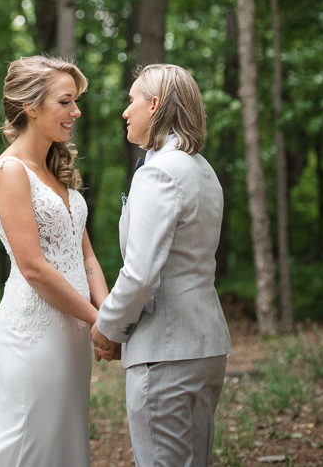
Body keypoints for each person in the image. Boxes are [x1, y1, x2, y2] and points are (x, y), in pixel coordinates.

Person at [0, 55, 108, 467]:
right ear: (30, 105)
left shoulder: (54, 171)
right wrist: (100, 321)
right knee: (23, 441)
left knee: (62, 442)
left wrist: (110, 313)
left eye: (75, 101)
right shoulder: (11, 171)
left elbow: (87, 257)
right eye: (65, 102)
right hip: (34, 332)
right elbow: (34, 269)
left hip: (73, 332)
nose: (76, 111)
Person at [91, 63, 231, 467]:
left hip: (166, 350)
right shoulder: (202, 170)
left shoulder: (160, 173)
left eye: (131, 99)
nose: (125, 110)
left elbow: (139, 274)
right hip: (205, 346)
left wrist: (108, 327)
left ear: (154, 106)